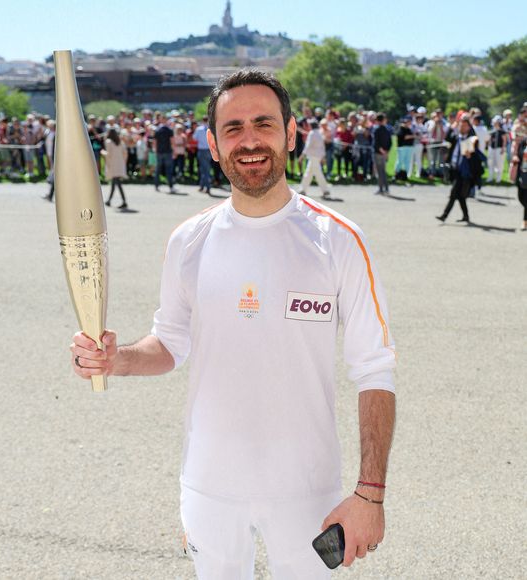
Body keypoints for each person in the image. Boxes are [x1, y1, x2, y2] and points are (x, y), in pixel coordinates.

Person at [70, 69, 396, 579]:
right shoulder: (188, 241)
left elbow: (375, 370)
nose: (249, 141)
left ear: (291, 133)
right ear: (213, 145)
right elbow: (171, 344)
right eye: (233, 128)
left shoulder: (338, 240)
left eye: (263, 124)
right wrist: (118, 359)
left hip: (307, 491)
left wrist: (369, 495)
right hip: (209, 487)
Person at [436, 115, 482, 224]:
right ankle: (466, 216)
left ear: (469, 127)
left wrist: (470, 155)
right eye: (460, 125)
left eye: (464, 125)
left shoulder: (472, 140)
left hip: (465, 172)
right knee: (461, 196)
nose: (461, 127)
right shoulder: (456, 137)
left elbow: (475, 158)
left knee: (453, 194)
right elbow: (447, 140)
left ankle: (444, 215)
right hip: (455, 169)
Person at [298, 119, 332, 200]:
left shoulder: (312, 133)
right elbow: (322, 146)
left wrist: (302, 156)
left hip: (313, 156)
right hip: (316, 156)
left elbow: (308, 146)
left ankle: (325, 190)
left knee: (317, 174)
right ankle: (303, 189)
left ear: (311, 125)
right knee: (308, 173)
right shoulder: (319, 133)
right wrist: (323, 156)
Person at [102, 128, 128, 209]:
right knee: (114, 183)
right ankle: (109, 200)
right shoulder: (120, 142)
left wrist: (102, 152)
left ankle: (123, 201)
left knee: (117, 183)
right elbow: (125, 154)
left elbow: (109, 154)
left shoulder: (109, 142)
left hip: (113, 165)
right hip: (119, 164)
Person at [154, 118, 176, 193]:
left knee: (158, 169)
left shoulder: (157, 130)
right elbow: (172, 142)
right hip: (168, 152)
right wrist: (174, 151)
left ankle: (156, 186)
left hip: (159, 152)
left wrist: (156, 151)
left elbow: (155, 142)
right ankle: (170, 186)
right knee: (168, 170)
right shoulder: (169, 130)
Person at [372, 113, 392, 195]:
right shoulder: (387, 130)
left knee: (380, 172)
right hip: (385, 153)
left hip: (378, 152)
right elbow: (390, 142)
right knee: (383, 171)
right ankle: (386, 188)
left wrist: (381, 150)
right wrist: (386, 151)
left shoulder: (377, 130)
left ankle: (381, 189)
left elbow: (376, 143)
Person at [194, 116, 212, 194]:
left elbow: (194, 138)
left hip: (202, 150)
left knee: (205, 169)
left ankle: (207, 187)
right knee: (205, 168)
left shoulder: (199, 129)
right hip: (209, 150)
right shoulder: (211, 129)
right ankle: (202, 186)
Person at [487, 116, 507, 184]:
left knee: (499, 163)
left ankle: (499, 178)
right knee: (491, 163)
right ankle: (491, 176)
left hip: (499, 149)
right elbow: (490, 140)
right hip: (492, 149)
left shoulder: (502, 131)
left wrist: (503, 148)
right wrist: (489, 147)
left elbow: (504, 140)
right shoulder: (493, 131)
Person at [514, 135, 527, 230]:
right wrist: (515, 157)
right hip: (522, 174)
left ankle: (525, 221)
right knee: (520, 197)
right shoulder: (523, 141)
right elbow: (518, 154)